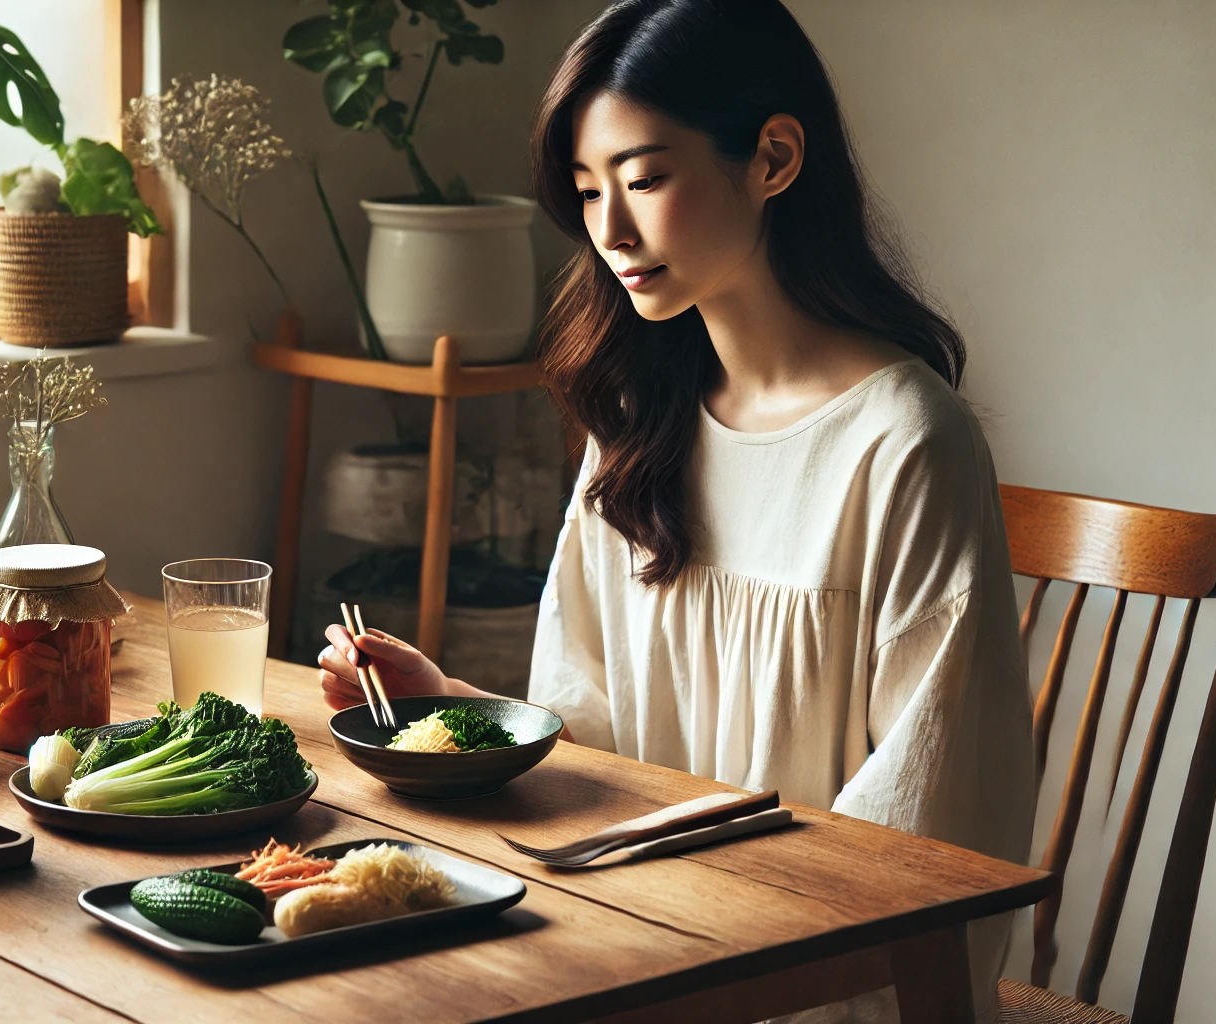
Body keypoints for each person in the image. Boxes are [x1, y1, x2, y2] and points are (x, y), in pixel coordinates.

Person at [318, 1, 1034, 1020]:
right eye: (586, 191)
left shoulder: (905, 439)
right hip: (636, 952)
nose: (609, 231)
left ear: (773, 158)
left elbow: (930, 813)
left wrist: (699, 961)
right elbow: (601, 745)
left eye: (645, 179)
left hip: (823, 979)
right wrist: (454, 712)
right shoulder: (635, 419)